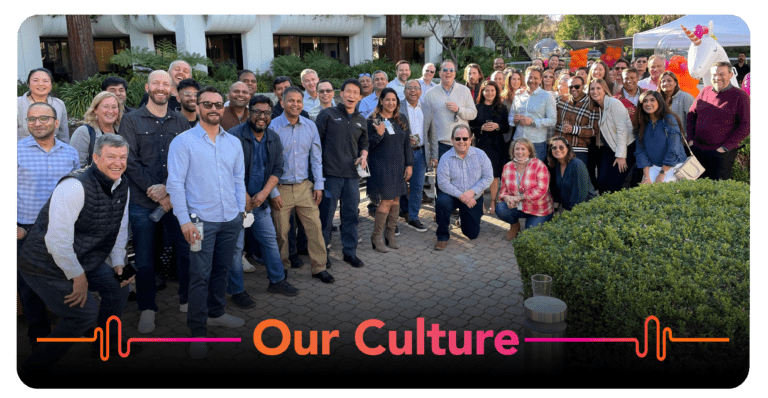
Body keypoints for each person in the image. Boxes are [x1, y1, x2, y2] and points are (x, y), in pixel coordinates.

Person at [17, 133, 134, 372]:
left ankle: (105, 345)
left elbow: (120, 225)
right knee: (82, 315)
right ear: (95, 157)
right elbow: (56, 240)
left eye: (122, 157)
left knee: (119, 286)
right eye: (111, 156)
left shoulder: (122, 184)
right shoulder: (73, 186)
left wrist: (120, 261)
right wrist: (78, 277)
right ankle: (33, 369)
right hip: (44, 264)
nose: (118, 163)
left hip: (83, 258)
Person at [166, 86, 246, 359]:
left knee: (222, 269)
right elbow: (174, 184)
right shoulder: (183, 142)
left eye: (217, 104)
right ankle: (198, 331)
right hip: (199, 222)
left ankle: (216, 312)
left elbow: (238, 179)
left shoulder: (233, 142)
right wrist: (184, 221)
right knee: (199, 275)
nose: (213, 109)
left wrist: (239, 213)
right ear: (197, 107)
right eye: (207, 104)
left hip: (229, 219)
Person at [120, 70, 192, 334]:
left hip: (176, 202)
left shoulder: (181, 121)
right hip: (143, 201)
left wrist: (170, 191)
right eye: (156, 83)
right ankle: (147, 308)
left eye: (166, 84)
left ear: (172, 89)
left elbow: (187, 160)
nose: (161, 88)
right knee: (145, 259)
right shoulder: (131, 120)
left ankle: (186, 299)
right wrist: (157, 191)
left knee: (186, 251)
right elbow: (129, 161)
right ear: (148, 87)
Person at [16, 102, 80, 356]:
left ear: (56, 122)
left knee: (65, 279)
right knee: (28, 286)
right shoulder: (15, 151)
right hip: (26, 229)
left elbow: (77, 190)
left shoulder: (70, 153)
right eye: (32, 119)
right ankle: (38, 336)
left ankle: (74, 326)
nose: (37, 123)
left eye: (43, 118)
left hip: (63, 228)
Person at [228, 95, 299, 300]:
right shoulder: (234, 137)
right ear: (249, 112)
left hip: (259, 203)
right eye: (257, 111)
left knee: (270, 240)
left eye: (267, 113)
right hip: (236, 203)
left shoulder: (273, 137)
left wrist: (264, 193)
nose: (262, 116)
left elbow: (278, 168)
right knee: (236, 248)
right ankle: (237, 291)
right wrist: (245, 196)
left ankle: (277, 281)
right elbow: (228, 171)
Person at [268, 87, 333, 283]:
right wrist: (273, 192)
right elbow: (267, 163)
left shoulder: (310, 126)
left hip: (305, 187)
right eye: (291, 100)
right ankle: (282, 267)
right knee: (281, 232)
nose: (295, 104)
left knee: (314, 227)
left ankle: (319, 267)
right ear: (282, 103)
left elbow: (316, 158)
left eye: (299, 101)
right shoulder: (272, 127)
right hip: (281, 188)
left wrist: (319, 185)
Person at [315, 79, 369, 268]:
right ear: (341, 93)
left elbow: (364, 143)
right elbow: (316, 145)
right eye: (348, 92)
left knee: (351, 215)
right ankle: (322, 254)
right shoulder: (327, 114)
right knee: (326, 217)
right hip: (330, 176)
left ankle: (350, 252)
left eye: (356, 93)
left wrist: (363, 155)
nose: (351, 95)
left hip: (352, 177)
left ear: (360, 97)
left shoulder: (361, 120)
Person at [367, 88, 414, 252]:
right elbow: (367, 146)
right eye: (387, 99)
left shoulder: (401, 119)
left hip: (398, 165)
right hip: (381, 166)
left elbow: (406, 144)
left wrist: (409, 164)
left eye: (394, 100)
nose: (391, 103)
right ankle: (376, 236)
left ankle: (390, 234)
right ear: (381, 101)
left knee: (396, 200)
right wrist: (378, 134)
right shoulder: (373, 120)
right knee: (386, 201)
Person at [686, 62, 751, 181]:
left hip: (720, 154)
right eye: (714, 74)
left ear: (731, 75)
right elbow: (691, 115)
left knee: (717, 190)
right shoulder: (705, 91)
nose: (717, 78)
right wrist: (690, 140)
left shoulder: (740, 96)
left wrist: (725, 147)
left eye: (722, 74)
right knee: (694, 187)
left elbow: (746, 125)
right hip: (697, 150)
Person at [434, 125, 493, 251]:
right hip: (452, 196)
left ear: (470, 139)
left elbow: (488, 177)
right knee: (441, 202)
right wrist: (462, 196)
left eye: (465, 138)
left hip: (473, 196)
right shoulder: (445, 158)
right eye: (458, 138)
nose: (461, 141)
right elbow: (443, 183)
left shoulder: (480, 155)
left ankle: (462, 219)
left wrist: (471, 192)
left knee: (472, 234)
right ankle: (442, 236)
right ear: (452, 140)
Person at [422, 59, 478, 170]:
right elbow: (425, 121)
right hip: (440, 144)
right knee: (442, 181)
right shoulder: (430, 94)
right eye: (445, 69)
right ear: (440, 73)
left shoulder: (465, 91)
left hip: (461, 143)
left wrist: (459, 110)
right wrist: (429, 147)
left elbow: (473, 114)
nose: (448, 72)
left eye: (451, 70)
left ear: (455, 74)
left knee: (461, 180)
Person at [496, 138, 553, 240]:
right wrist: (507, 199)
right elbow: (503, 189)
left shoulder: (538, 165)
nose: (520, 152)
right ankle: (515, 226)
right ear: (513, 151)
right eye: (517, 149)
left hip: (539, 209)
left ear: (529, 151)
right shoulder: (507, 167)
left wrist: (520, 197)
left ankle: (537, 224)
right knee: (500, 208)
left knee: (529, 238)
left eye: (523, 149)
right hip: (518, 206)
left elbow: (541, 190)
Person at [469, 81, 509, 214]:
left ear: (496, 92)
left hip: (496, 145)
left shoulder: (501, 107)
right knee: (479, 174)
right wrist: (481, 128)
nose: (490, 93)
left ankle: (493, 200)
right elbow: (470, 127)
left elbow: (506, 127)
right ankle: (480, 201)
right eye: (487, 90)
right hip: (481, 144)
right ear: (482, 92)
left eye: (492, 90)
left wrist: (497, 126)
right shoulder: (477, 107)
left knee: (495, 174)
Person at [399, 79, 434, 232]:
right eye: (409, 88)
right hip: (400, 153)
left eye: (416, 88)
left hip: (420, 153)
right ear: (404, 90)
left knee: (417, 186)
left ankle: (413, 217)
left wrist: (434, 154)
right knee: (398, 185)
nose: (413, 91)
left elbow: (433, 133)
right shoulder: (397, 106)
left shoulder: (427, 108)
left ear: (421, 91)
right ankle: (400, 211)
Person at [588, 79, 635, 193]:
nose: (595, 91)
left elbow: (622, 130)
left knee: (613, 184)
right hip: (610, 149)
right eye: (592, 89)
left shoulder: (614, 103)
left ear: (605, 90)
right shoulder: (600, 106)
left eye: (598, 88)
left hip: (625, 148)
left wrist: (621, 156)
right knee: (602, 181)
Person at [634, 91, 687, 184]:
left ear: (659, 102)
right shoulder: (642, 123)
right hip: (653, 167)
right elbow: (640, 151)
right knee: (645, 192)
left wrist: (662, 173)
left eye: (652, 100)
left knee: (665, 194)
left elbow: (674, 149)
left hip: (673, 166)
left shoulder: (669, 119)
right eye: (645, 101)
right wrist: (646, 176)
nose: (648, 103)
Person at [509, 66, 556, 162]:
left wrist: (533, 121)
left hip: (536, 143)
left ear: (540, 80)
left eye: (535, 78)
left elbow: (552, 120)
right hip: (518, 141)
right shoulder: (518, 95)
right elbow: (510, 116)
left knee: (535, 174)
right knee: (519, 173)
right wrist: (514, 120)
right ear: (525, 78)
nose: (532, 80)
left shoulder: (547, 96)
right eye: (529, 77)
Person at [554, 76, 599, 167]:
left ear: (583, 86)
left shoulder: (592, 104)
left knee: (577, 179)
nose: (573, 89)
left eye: (577, 86)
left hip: (579, 149)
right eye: (571, 87)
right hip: (559, 148)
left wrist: (573, 129)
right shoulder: (561, 100)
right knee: (559, 179)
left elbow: (594, 130)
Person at [69, 91, 123, 167]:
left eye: (114, 107)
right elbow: (74, 167)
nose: (110, 111)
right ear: (95, 109)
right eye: (106, 106)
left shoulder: (123, 131)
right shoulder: (84, 132)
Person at [17, 68, 69, 143]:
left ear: (51, 85)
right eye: (35, 80)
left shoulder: (59, 104)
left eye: (45, 81)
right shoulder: (17, 103)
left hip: (52, 151)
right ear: (28, 84)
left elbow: (64, 135)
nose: (41, 84)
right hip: (23, 151)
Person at [547, 136, 595, 211]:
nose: (557, 150)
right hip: (569, 208)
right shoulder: (558, 165)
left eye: (561, 147)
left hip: (585, 209)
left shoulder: (577, 164)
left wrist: (571, 214)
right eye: (554, 148)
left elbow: (580, 195)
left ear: (568, 148)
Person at [501, 69, 524, 149]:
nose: (516, 81)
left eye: (518, 79)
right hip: (508, 134)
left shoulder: (526, 96)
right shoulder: (503, 98)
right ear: (509, 81)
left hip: (522, 132)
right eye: (513, 79)